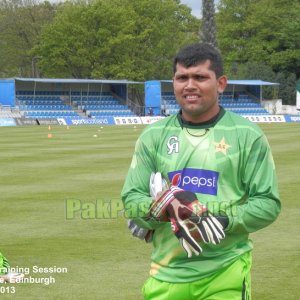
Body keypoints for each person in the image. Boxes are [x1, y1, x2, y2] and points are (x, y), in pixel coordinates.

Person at [121, 43, 281, 300]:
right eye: (182, 77)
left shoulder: (248, 135)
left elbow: (267, 203)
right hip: (165, 274)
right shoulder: (153, 136)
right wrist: (161, 211)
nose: (190, 85)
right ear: (173, 83)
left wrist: (224, 220)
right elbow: (132, 200)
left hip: (225, 272)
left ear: (220, 83)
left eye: (200, 77)